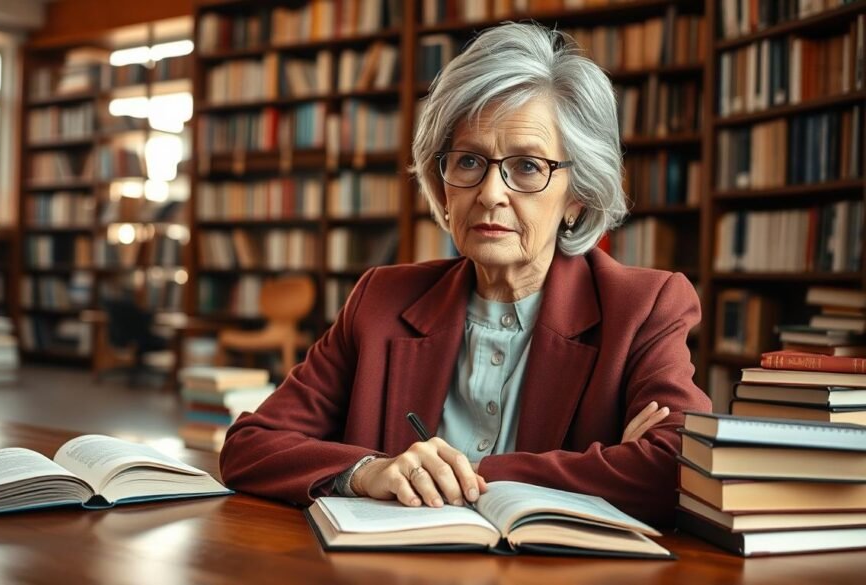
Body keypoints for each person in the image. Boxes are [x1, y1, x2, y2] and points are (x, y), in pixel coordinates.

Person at [219, 22, 711, 526]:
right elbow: (249, 447)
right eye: (470, 161)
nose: (491, 193)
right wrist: (369, 472)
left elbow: (679, 465)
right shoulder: (381, 300)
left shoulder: (644, 307)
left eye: (526, 167)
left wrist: (475, 474)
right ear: (443, 183)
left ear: (577, 195)